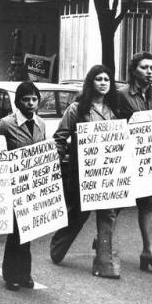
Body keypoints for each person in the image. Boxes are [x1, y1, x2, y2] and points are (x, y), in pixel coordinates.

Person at [49, 65, 122, 278]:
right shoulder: (77, 109)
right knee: (79, 215)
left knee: (107, 214)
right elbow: (60, 137)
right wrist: (53, 163)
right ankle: (58, 247)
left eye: (107, 79)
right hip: (83, 174)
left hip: (107, 173)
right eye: (98, 79)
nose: (103, 83)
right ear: (91, 83)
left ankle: (105, 264)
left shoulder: (114, 109)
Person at [116, 51, 152, 275]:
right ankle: (102, 238)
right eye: (144, 67)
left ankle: (149, 252)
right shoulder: (122, 95)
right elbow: (115, 126)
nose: (149, 71)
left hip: (149, 161)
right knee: (116, 203)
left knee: (146, 204)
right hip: (127, 159)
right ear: (134, 70)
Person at [0, 81, 46, 290]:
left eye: (34, 99)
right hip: (13, 181)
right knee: (16, 230)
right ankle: (11, 275)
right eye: (26, 99)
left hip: (32, 184)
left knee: (29, 229)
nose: (30, 103)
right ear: (18, 102)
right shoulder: (6, 124)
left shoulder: (41, 124)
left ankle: (25, 273)